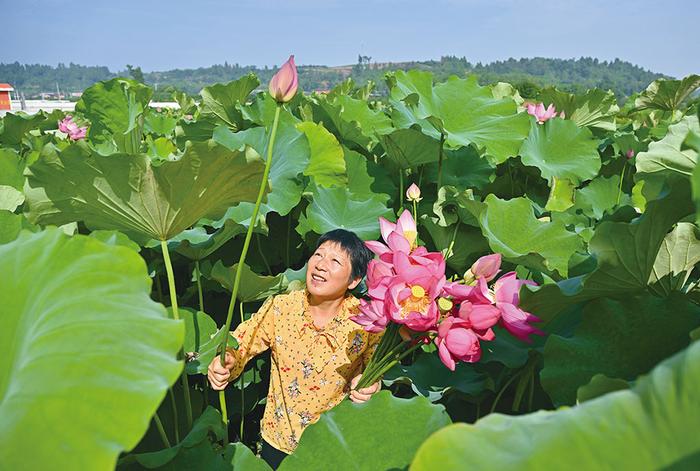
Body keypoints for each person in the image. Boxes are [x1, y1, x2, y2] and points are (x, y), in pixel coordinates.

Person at [208, 229, 383, 468]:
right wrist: (225, 361)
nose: (321, 265)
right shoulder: (281, 307)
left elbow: (375, 371)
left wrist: (370, 385)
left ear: (354, 280)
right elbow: (241, 343)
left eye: (335, 261)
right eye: (318, 255)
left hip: (332, 443)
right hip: (277, 440)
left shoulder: (367, 320)